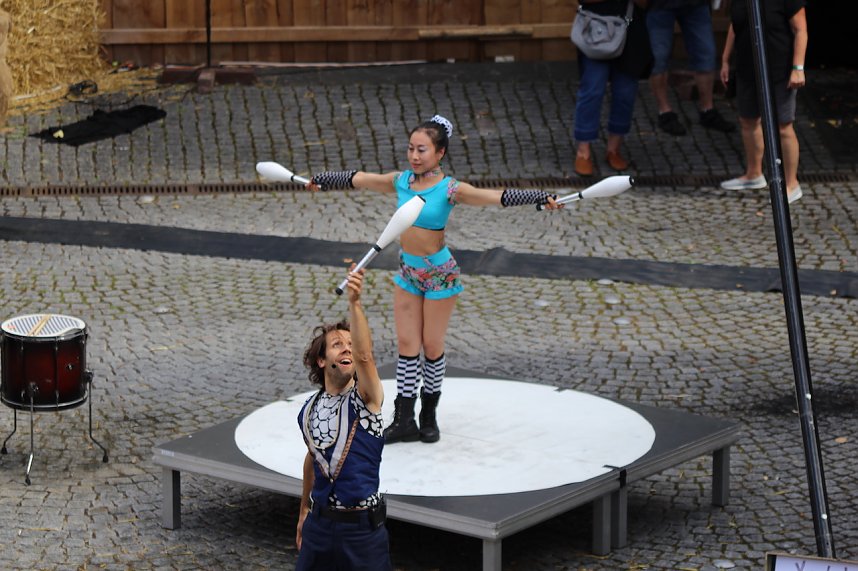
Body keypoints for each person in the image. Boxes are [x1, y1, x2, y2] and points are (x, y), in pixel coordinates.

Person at [306, 115, 562, 444]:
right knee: (407, 347)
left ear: (440, 153)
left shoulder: (451, 189)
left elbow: (494, 197)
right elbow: (359, 178)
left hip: (440, 273)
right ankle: (404, 418)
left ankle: (429, 415)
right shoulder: (400, 182)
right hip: (409, 271)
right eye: (411, 149)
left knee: (431, 346)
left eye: (422, 150)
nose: (414, 156)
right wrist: (323, 179)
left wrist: (538, 198)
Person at [295, 269, 392, 570]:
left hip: (362, 533)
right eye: (338, 344)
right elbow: (313, 459)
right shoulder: (308, 410)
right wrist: (303, 513)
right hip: (319, 527)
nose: (347, 347)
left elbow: (365, 357)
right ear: (322, 361)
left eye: (350, 343)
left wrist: (356, 302)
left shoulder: (367, 398)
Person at [719, 0, 807, 203]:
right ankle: (754, 174)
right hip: (747, 68)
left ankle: (791, 183)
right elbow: (735, 26)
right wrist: (725, 59)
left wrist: (798, 68)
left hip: (779, 69)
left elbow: (801, 30)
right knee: (748, 120)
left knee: (783, 125)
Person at [573, 0, 653, 177]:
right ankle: (583, 151)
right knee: (592, 89)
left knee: (625, 91)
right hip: (595, 26)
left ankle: (614, 149)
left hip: (630, 26)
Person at [646, 0, 736, 136]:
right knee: (658, 58)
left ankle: (708, 110)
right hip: (659, 5)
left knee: (706, 53)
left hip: (696, 4)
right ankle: (664, 111)